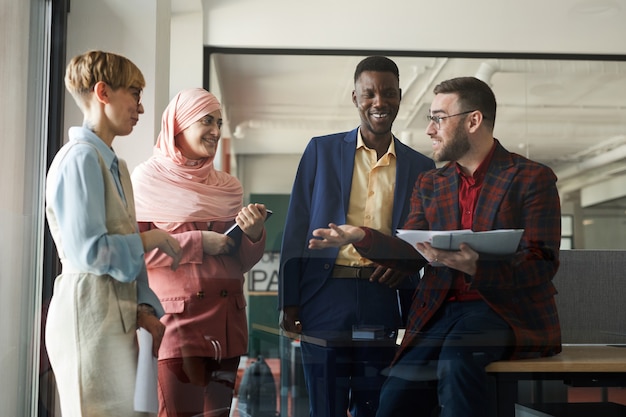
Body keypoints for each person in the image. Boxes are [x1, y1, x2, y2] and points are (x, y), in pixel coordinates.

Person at [308, 76, 562, 417]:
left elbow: (542, 262)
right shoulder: (431, 183)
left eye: (438, 118)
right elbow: (409, 254)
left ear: (473, 121)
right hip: (438, 310)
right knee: (394, 396)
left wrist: (476, 267)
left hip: (501, 309)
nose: (430, 130)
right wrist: (361, 237)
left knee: (458, 366)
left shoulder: (531, 177)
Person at [278, 56, 435, 417]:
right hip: (325, 295)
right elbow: (297, 226)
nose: (379, 102)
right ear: (355, 97)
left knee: (377, 406)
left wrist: (406, 266)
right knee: (326, 407)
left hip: (384, 297)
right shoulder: (321, 150)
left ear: (399, 97)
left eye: (388, 93)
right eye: (369, 94)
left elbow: (424, 239)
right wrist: (289, 298)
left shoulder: (421, 168)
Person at [45, 50, 183, 417]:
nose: (140, 107)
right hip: (86, 313)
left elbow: (120, 248)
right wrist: (150, 239)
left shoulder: (117, 166)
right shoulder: (79, 158)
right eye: (134, 93)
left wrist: (143, 308)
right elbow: (89, 252)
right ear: (103, 92)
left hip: (117, 315)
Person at [131, 87, 268, 417]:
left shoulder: (228, 187)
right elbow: (133, 255)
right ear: (179, 124)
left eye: (219, 123)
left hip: (228, 325)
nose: (216, 131)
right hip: (178, 324)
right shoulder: (147, 180)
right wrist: (197, 243)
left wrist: (253, 234)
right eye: (207, 121)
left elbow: (240, 262)